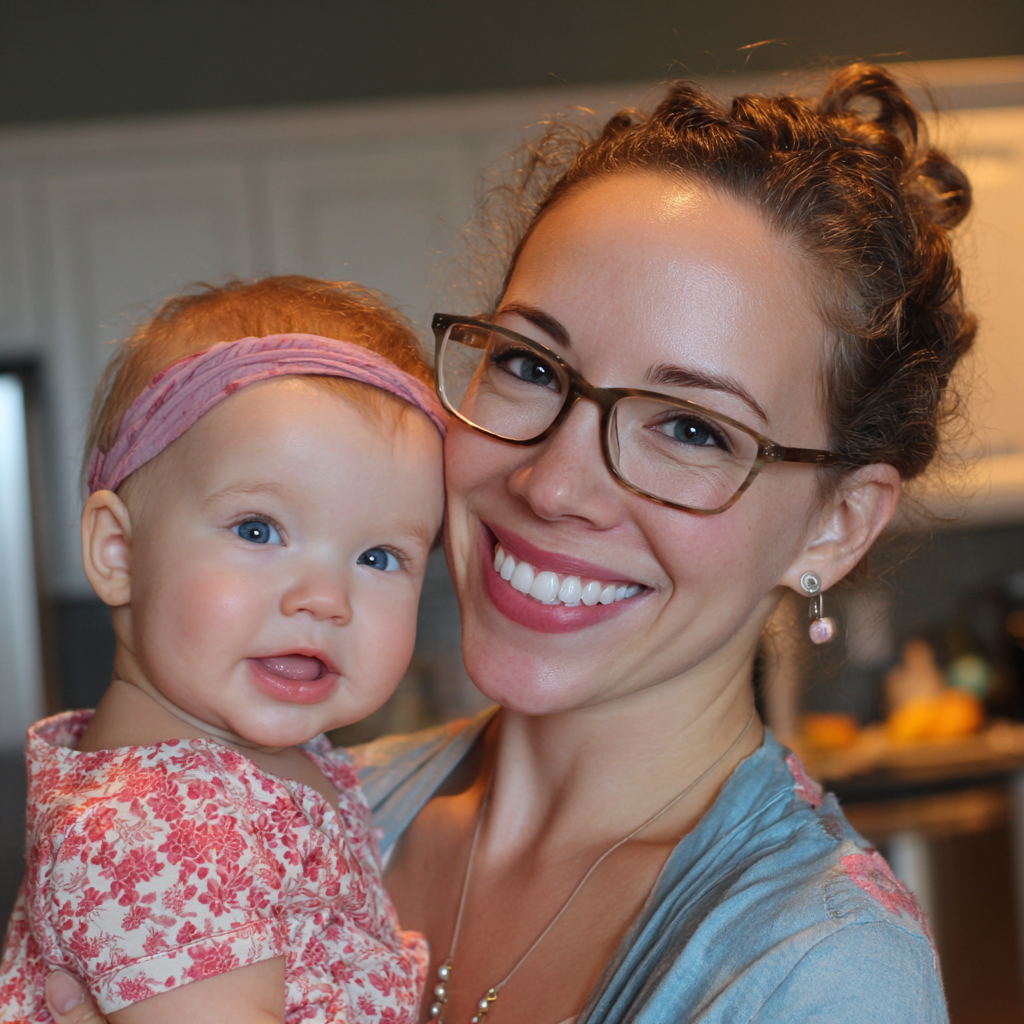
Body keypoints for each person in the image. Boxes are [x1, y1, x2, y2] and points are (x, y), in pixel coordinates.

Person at [43, 62, 972, 1023]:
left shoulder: (818, 972)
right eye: (529, 365)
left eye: (691, 428)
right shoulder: (281, 806)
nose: (552, 483)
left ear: (835, 524)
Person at [0, 277, 448, 1022]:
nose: (324, 598)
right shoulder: (156, 831)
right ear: (119, 552)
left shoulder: (238, 773)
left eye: (378, 557)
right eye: (258, 530)